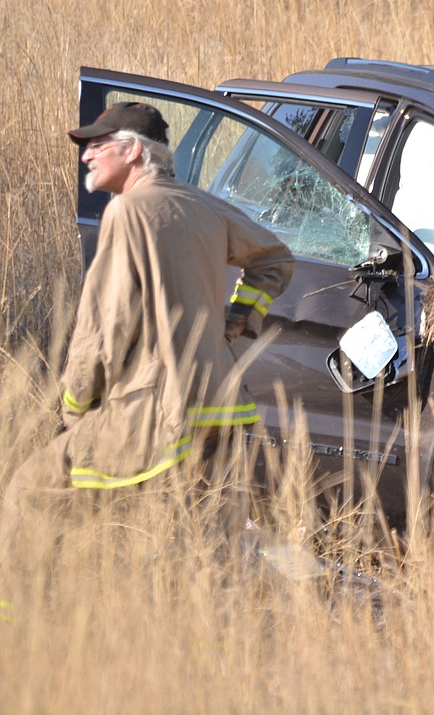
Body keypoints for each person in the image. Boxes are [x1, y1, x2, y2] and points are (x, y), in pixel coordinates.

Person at [0, 101, 294, 557]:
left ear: (133, 151)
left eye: (97, 145)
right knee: (200, 550)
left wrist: (75, 408)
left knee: (28, 493)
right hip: (222, 411)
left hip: (155, 413)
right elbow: (274, 257)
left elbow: (103, 327)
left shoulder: (125, 213)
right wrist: (242, 315)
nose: (86, 157)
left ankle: (16, 618)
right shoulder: (205, 205)